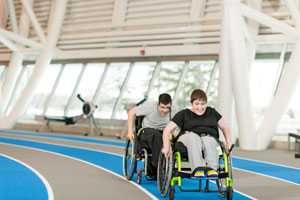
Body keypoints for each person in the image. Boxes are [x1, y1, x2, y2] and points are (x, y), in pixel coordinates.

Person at [161, 89, 231, 176]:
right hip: (187, 138)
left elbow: (226, 128)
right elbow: (167, 130)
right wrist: (166, 146)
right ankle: (197, 169)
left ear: (206, 103)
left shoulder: (212, 112)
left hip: (208, 138)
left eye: (203, 104)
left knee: (208, 139)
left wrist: (228, 142)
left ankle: (211, 169)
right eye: (197, 104)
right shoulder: (184, 113)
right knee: (193, 137)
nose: (200, 107)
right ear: (192, 103)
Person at [127, 93, 172, 178]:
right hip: (147, 132)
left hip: (163, 132)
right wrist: (130, 131)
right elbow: (131, 112)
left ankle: (167, 166)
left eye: (167, 108)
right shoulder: (150, 106)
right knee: (156, 135)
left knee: (170, 137)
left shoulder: (174, 109)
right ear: (158, 104)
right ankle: (158, 165)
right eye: (162, 107)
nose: (165, 110)